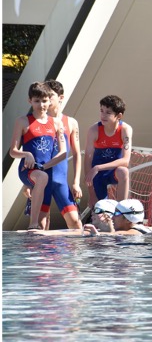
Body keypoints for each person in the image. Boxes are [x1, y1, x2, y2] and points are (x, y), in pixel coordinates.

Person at [9, 81, 67, 230]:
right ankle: (32, 225)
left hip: (44, 169)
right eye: (37, 101)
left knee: (44, 179)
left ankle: (38, 226)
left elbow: (63, 153)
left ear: (49, 100)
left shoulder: (56, 123)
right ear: (30, 101)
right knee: (42, 177)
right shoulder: (22, 121)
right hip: (27, 170)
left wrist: (45, 166)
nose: (41, 105)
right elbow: (13, 151)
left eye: (45, 101)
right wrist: (26, 153)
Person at [42, 79, 83, 230]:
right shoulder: (39, 121)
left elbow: (77, 154)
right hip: (41, 180)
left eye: (50, 95)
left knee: (76, 223)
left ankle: (76, 254)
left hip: (60, 181)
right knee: (42, 225)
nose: (46, 99)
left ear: (60, 97)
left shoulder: (71, 122)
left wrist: (76, 182)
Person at [84, 94, 133, 208]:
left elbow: (125, 161)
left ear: (119, 116)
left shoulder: (125, 129)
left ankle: (121, 211)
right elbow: (87, 161)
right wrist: (91, 194)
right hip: (97, 176)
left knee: (124, 171)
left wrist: (99, 167)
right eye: (102, 111)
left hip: (111, 172)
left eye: (108, 112)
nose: (103, 115)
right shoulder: (94, 130)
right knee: (101, 211)